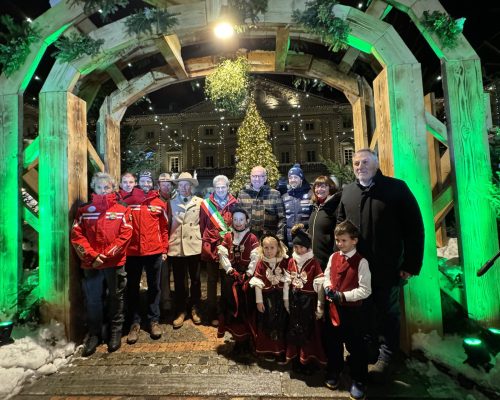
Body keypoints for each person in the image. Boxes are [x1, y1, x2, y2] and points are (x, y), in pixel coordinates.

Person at [337, 149, 424, 382]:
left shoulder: (396, 189)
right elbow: (340, 225)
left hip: (387, 267)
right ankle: (369, 352)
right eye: (355, 163)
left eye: (365, 162)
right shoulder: (348, 192)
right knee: (363, 313)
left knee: (387, 312)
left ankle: (387, 357)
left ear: (376, 164)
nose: (359, 166)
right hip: (357, 270)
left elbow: (414, 228)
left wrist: (411, 264)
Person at [71, 172, 133, 356]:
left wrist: (105, 256)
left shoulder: (122, 209)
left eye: (107, 187)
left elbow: (125, 236)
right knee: (93, 300)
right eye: (99, 187)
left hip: (114, 262)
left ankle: (115, 332)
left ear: (113, 188)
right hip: (91, 264)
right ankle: (94, 334)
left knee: (116, 297)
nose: (103, 190)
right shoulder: (84, 210)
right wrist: (92, 256)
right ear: (93, 188)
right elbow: (77, 235)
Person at [323, 220, 371, 400]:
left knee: (356, 346)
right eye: (337, 240)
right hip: (334, 309)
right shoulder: (333, 257)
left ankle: (359, 380)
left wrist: (344, 296)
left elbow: (365, 290)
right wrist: (328, 287)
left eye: (343, 240)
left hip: (352, 312)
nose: (340, 244)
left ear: (354, 240)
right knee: (333, 342)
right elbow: (327, 275)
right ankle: (334, 370)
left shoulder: (361, 262)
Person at [125, 171, 169, 344]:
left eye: (148, 181)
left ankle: (153, 320)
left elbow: (164, 228)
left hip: (154, 251)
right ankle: (134, 323)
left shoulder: (159, 203)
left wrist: (164, 248)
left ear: (152, 184)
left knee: (154, 287)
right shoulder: (128, 202)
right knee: (132, 288)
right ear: (138, 182)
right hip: (133, 252)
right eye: (142, 180)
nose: (145, 183)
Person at [284, 224, 326, 373]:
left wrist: (320, 306)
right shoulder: (291, 261)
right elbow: (287, 282)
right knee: (294, 331)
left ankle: (308, 360)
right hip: (295, 301)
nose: (298, 250)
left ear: (308, 247)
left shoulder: (314, 262)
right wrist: (286, 301)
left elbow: (320, 284)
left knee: (309, 333)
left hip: (308, 302)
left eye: (302, 247)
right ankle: (296, 359)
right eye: (296, 247)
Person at [217, 208, 259, 355]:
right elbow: (222, 255)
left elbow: (255, 258)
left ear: (247, 221)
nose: (238, 222)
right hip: (231, 278)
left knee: (246, 309)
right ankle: (237, 339)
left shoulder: (252, 238)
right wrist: (229, 270)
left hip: (246, 279)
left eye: (241, 219)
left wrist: (248, 273)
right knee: (231, 308)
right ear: (231, 221)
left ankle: (247, 340)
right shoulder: (228, 237)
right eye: (235, 219)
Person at [200, 175, 238, 327]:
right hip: (212, 247)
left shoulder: (235, 203)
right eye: (218, 187)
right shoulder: (205, 205)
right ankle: (211, 313)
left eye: (223, 187)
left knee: (227, 281)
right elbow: (202, 226)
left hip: (228, 249)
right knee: (211, 281)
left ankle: (225, 313)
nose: (221, 190)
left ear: (228, 187)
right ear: (214, 188)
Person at [168, 172, 203, 328]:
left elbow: (204, 223)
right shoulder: (171, 202)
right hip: (177, 246)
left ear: (192, 186)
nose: (183, 188)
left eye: (187, 185)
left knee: (195, 280)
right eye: (181, 185)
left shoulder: (200, 202)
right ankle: (181, 310)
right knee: (179, 281)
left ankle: (196, 309)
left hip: (194, 245)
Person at [249, 233, 289, 362]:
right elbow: (257, 282)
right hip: (267, 299)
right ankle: (269, 350)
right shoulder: (261, 263)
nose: (269, 251)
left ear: (278, 248)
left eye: (272, 248)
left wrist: (286, 300)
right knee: (267, 323)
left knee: (281, 323)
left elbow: (288, 281)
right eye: (266, 248)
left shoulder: (284, 261)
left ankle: (281, 351)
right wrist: (259, 301)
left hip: (281, 299)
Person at [237, 165, 286, 240]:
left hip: (269, 241)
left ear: (265, 178)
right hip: (248, 240)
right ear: (250, 177)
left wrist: (279, 239)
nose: (257, 179)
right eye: (254, 176)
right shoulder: (242, 194)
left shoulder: (274, 194)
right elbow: (237, 218)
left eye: (261, 176)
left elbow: (282, 218)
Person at [308, 176, 341, 271]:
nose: (319, 189)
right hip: (314, 259)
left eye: (323, 186)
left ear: (330, 188)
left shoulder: (335, 207)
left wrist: (335, 257)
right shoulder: (316, 207)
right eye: (317, 187)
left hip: (328, 259)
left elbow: (338, 233)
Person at [281, 164, 312, 250]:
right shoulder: (284, 197)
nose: (293, 180)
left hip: (306, 241)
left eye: (295, 177)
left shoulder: (310, 195)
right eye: (290, 178)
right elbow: (282, 220)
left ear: (301, 179)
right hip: (289, 243)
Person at [157, 172, 176, 315]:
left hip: (175, 240)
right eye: (163, 183)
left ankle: (181, 299)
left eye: (168, 183)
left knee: (179, 272)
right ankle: (165, 300)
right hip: (161, 240)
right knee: (163, 272)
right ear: (159, 185)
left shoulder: (177, 197)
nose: (166, 185)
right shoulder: (155, 199)